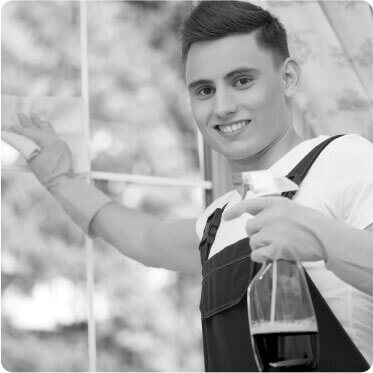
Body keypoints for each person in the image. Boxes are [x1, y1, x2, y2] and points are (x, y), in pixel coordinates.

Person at [9, 1, 373, 371]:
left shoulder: (344, 159)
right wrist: (59, 179)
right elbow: (145, 239)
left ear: (288, 77)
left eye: (242, 80)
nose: (223, 106)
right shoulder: (218, 222)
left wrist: (324, 240)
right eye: (204, 90)